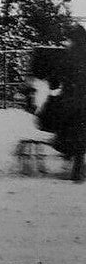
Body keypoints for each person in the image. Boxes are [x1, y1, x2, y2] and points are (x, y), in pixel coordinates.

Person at [25, 26, 86, 182]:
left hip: (69, 103)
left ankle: (67, 151)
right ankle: (76, 162)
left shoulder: (67, 57)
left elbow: (54, 81)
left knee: (65, 122)